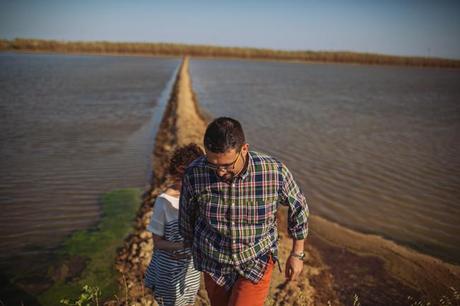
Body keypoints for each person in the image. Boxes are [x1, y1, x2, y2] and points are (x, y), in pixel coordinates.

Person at [179, 117, 309, 306]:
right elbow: (186, 217)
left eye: (227, 165)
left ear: (244, 149)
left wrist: (297, 253)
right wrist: (190, 252)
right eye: (213, 164)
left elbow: (299, 206)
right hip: (213, 263)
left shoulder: (273, 171)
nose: (220, 172)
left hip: (256, 261)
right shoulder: (195, 173)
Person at [144, 143, 204, 306]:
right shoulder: (164, 201)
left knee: (189, 301)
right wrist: (185, 244)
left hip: (191, 268)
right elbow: (158, 243)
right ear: (181, 170)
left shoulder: (199, 196)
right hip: (169, 270)